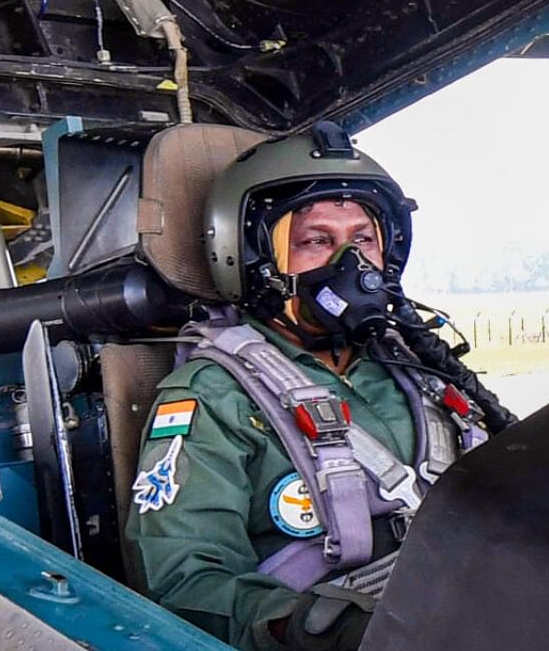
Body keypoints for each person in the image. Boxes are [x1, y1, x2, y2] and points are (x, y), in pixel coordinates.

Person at [126, 123, 515, 650]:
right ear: (254, 262)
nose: (350, 266)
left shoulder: (415, 368)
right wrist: (313, 627)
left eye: (362, 240)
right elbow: (184, 579)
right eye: (316, 241)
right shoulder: (213, 396)